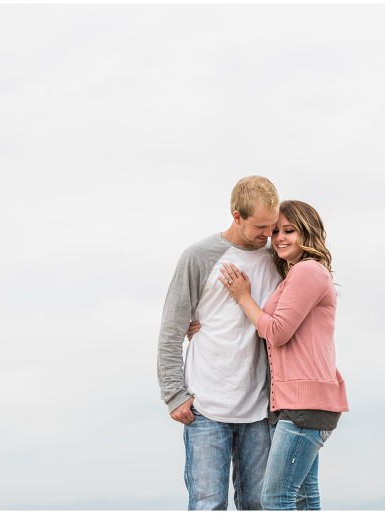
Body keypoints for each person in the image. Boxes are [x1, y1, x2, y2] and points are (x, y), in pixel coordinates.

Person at [157, 175, 282, 510]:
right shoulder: (198, 256)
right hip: (206, 408)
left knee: (258, 505)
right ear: (236, 216)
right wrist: (173, 394)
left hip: (259, 409)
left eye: (272, 226)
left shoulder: (276, 259)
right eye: (260, 227)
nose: (267, 235)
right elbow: (172, 327)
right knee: (208, 505)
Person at [217, 199, 349, 510]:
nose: (279, 238)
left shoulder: (307, 271)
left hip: (305, 405)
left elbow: (276, 331)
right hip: (296, 403)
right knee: (303, 499)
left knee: (276, 499)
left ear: (307, 231)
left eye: (288, 230)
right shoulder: (296, 274)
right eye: (275, 231)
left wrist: (242, 297)